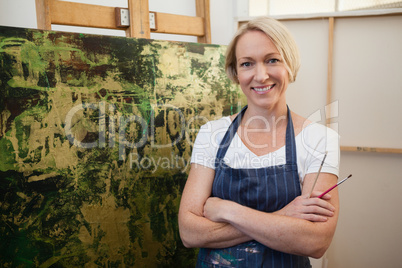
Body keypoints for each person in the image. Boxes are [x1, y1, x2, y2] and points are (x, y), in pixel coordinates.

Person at [178, 16, 340, 267]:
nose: (261, 75)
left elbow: (315, 241)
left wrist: (227, 211)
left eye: (272, 60)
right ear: (235, 72)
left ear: (290, 64)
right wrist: (283, 217)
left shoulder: (319, 139)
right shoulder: (213, 133)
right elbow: (189, 233)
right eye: (247, 64)